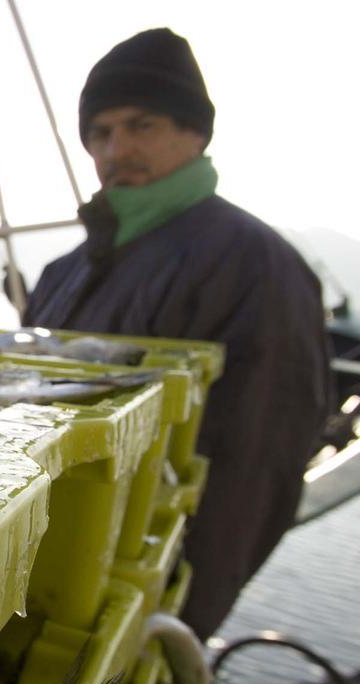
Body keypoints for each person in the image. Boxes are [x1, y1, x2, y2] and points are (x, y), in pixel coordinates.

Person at [23, 28, 331, 639]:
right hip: (37, 573)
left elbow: (255, 474)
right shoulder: (64, 271)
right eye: (101, 133)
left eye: (143, 126)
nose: (117, 149)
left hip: (126, 601)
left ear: (195, 133)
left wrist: (172, 621)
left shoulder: (256, 267)